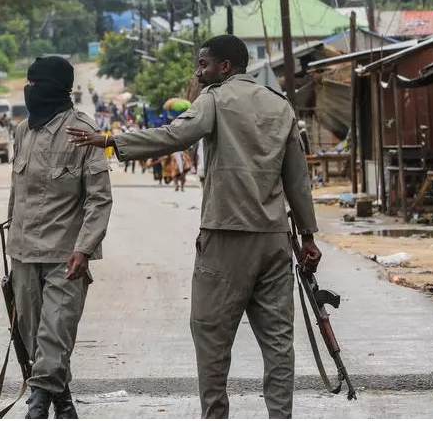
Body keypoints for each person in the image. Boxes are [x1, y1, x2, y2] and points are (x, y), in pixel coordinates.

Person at [67, 35, 321, 419]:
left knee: (211, 334)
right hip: (275, 240)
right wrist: (308, 237)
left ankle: (215, 414)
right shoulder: (279, 104)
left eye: (203, 64)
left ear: (224, 66)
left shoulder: (216, 99)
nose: (198, 73)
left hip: (225, 236)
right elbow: (297, 179)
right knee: (279, 341)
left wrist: (110, 140)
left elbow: (174, 136)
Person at [7, 56, 113, 419]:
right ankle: (64, 406)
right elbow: (16, 193)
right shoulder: (22, 131)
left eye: (36, 84)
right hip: (23, 255)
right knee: (36, 340)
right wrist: (11, 253)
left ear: (55, 88)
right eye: (28, 83)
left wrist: (84, 249)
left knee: (55, 333)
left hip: (66, 257)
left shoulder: (83, 131)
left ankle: (35, 410)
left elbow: (99, 199)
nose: (29, 90)